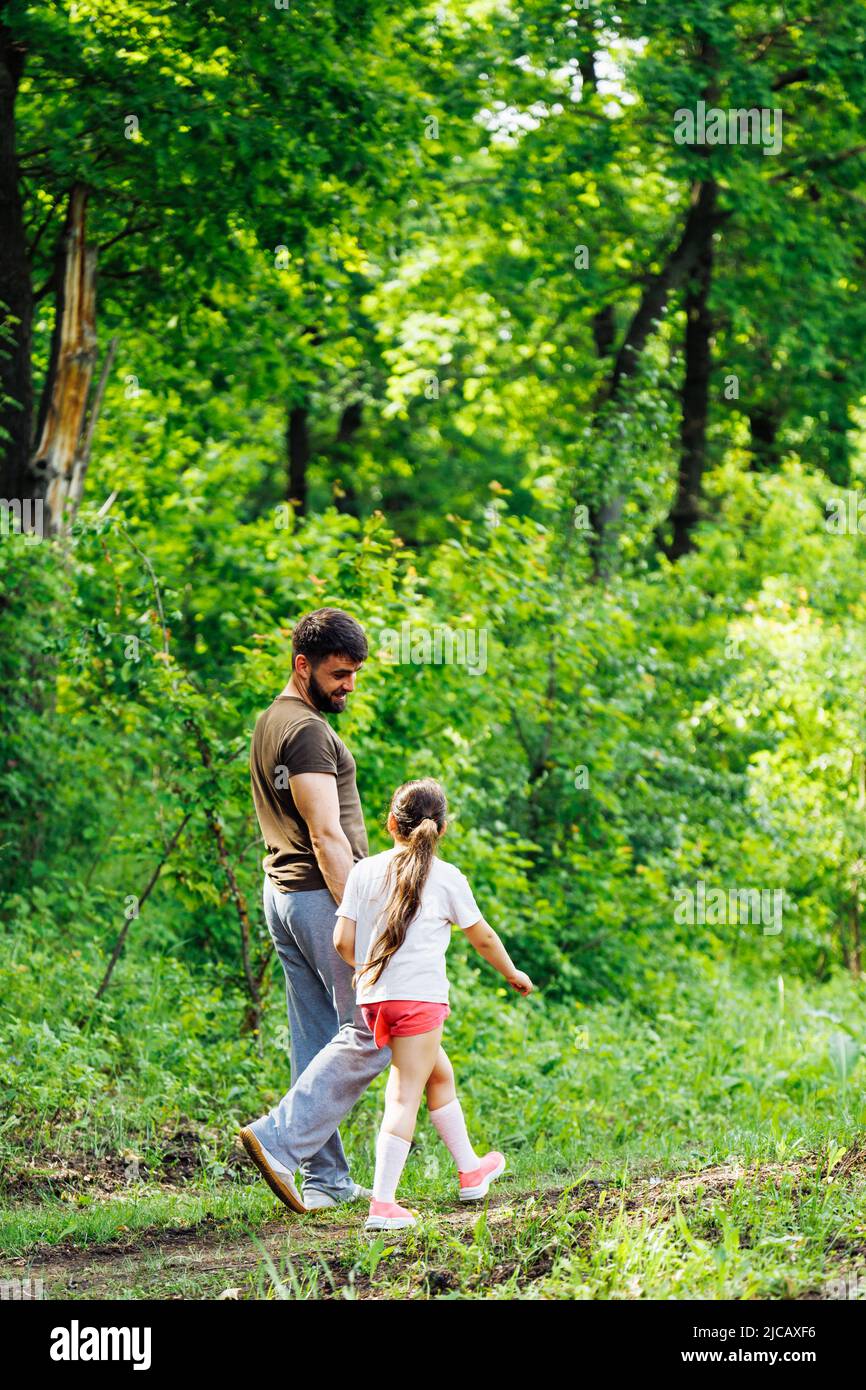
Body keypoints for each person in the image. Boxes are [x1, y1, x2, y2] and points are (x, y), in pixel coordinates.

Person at [240, 607, 390, 1212]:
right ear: (302, 665)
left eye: (354, 672)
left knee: (317, 1036)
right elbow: (327, 835)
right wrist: (359, 917)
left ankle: (324, 1180)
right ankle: (278, 1141)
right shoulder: (304, 730)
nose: (348, 684)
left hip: (284, 894)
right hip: (318, 897)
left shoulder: (271, 720)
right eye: (338, 673)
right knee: (377, 1028)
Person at [333, 777, 534, 1231]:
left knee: (437, 1073)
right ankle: (383, 1204)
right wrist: (512, 973)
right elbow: (481, 937)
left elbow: (342, 940)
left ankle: (471, 1171)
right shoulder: (446, 877)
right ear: (441, 829)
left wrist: (369, 969)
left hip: (374, 998)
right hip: (418, 1002)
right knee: (405, 1094)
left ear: (391, 824)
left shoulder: (364, 872)